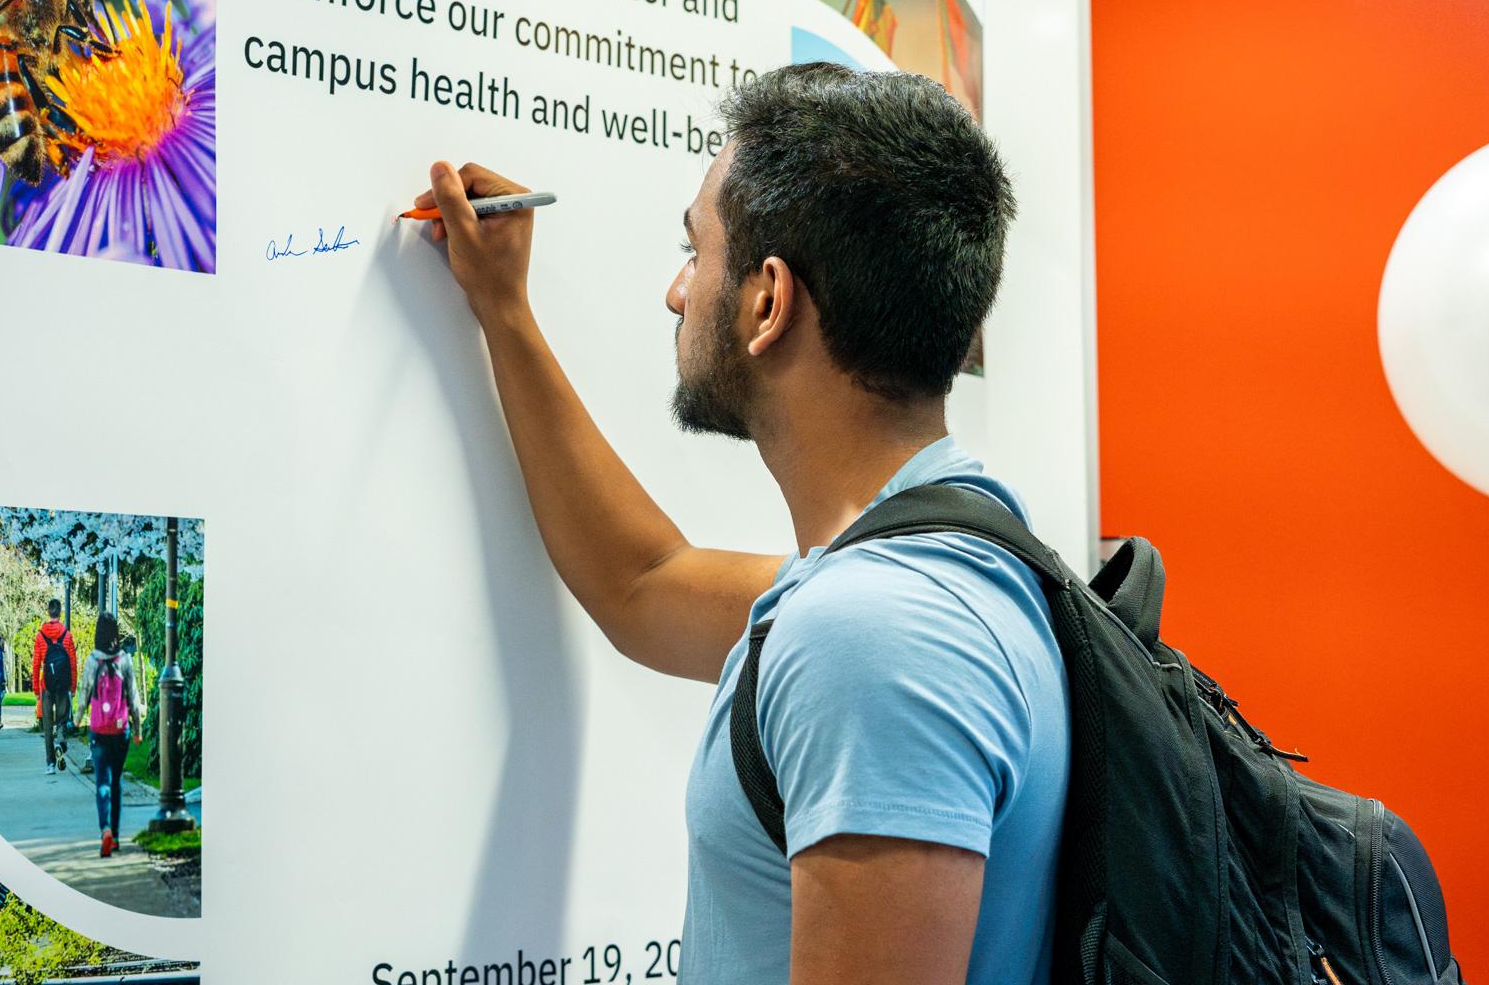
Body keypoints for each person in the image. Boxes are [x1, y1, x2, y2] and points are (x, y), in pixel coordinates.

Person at [415, 63, 1067, 985]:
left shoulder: (873, 638)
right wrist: (505, 312)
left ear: (767, 300)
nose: (679, 292)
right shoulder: (954, 559)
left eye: (698, 252)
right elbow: (645, 584)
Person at [76, 612, 145, 858]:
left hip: (98, 729)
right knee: (116, 782)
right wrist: (137, 730)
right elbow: (134, 697)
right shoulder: (124, 660)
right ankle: (115, 837)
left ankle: (104, 828)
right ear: (116, 633)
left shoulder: (92, 660)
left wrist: (77, 719)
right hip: (120, 728)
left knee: (102, 782)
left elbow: (84, 692)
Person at [31, 599, 77, 773]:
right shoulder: (67, 635)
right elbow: (72, 663)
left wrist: (36, 689)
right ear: (60, 612)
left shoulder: (40, 635)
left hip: (46, 686)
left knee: (48, 724)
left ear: (48, 612)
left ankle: (50, 764)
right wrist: (72, 687)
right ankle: (61, 741)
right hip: (63, 685)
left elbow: (36, 664)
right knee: (63, 718)